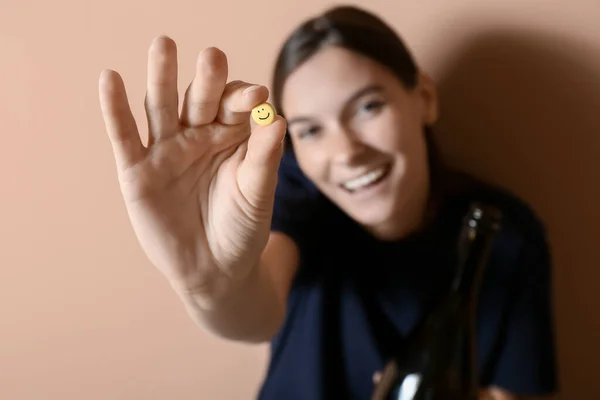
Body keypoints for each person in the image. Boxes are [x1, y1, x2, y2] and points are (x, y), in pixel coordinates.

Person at [98, 5, 558, 400]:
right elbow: (256, 312)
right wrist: (208, 284)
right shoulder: (300, 195)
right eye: (311, 130)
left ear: (424, 97)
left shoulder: (502, 233)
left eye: (367, 108)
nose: (346, 153)